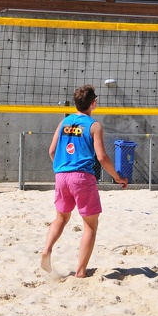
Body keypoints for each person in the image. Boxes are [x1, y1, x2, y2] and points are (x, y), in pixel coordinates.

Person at [41, 85, 128, 278]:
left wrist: (62, 167)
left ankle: (47, 249)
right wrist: (117, 177)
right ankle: (80, 272)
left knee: (61, 218)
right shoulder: (94, 125)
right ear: (93, 103)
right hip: (82, 177)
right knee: (90, 225)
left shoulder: (64, 122)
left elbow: (51, 150)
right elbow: (102, 157)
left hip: (61, 176)